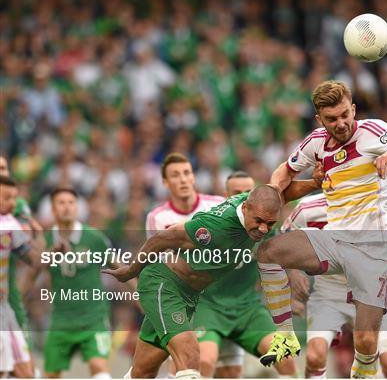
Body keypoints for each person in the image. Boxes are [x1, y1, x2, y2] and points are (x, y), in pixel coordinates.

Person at [257, 80, 387, 378]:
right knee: (269, 251)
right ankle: (285, 335)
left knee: (367, 342)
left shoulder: (375, 131)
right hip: (334, 240)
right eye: (332, 119)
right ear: (320, 119)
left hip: (373, 249)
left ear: (353, 109)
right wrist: (271, 191)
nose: (341, 123)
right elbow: (285, 171)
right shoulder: (316, 143)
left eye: (345, 114)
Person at [103, 185, 283, 379]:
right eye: (259, 221)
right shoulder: (215, 226)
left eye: (270, 223)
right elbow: (162, 238)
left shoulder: (260, 209)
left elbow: (283, 184)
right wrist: (131, 271)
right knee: (190, 355)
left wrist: (315, 181)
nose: (264, 228)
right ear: (246, 207)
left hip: (188, 296)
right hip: (164, 285)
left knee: (142, 372)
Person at [282, 193, 387, 378]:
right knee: (315, 356)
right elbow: (286, 238)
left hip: (372, 294)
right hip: (328, 294)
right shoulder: (307, 208)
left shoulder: (379, 205)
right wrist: (294, 272)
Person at [195, 171, 296, 378]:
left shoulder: (265, 227)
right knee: (204, 361)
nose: (242, 195)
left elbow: (282, 262)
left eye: (247, 192)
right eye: (236, 192)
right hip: (210, 307)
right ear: (228, 197)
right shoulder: (213, 226)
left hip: (247, 308)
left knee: (286, 359)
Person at [145, 152, 224, 377]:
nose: (182, 179)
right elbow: (163, 261)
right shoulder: (157, 217)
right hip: (179, 295)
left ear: (193, 177)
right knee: (172, 364)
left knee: (206, 363)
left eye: (186, 173)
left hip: (215, 296)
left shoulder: (216, 206)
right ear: (165, 182)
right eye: (175, 175)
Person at [31, 187, 115, 378]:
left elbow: (121, 268)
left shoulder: (94, 238)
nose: (67, 207)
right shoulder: (45, 240)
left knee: (99, 367)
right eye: (61, 203)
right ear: (52, 209)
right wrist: (51, 254)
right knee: (50, 375)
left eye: (71, 203)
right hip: (61, 319)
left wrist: (139, 295)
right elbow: (32, 273)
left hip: (93, 317)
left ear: (77, 208)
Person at [0, 156, 41, 378]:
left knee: (25, 370)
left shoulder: (14, 214)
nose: (3, 172)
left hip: (7, 294)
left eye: (5, 168)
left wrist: (49, 254)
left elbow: (30, 251)